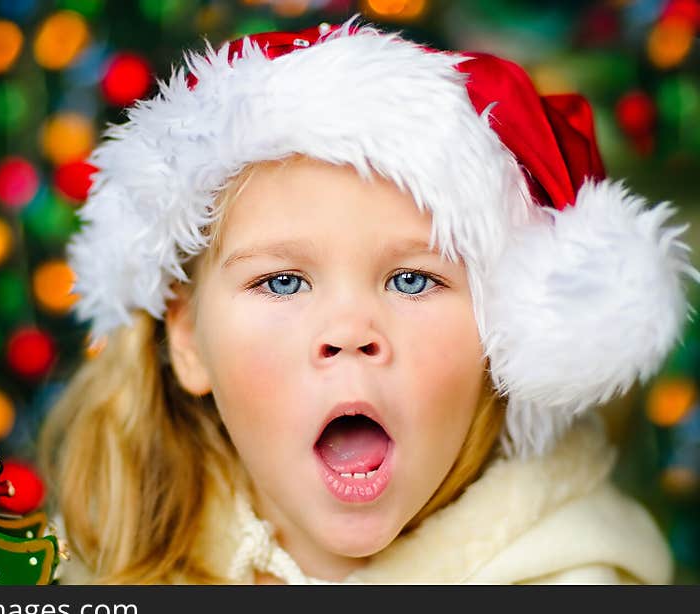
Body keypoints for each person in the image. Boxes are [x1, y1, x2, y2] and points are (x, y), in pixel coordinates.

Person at [39, 16, 699, 584]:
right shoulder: (103, 564)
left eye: (412, 279)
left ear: (501, 336)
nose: (349, 330)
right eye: (283, 281)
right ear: (187, 339)